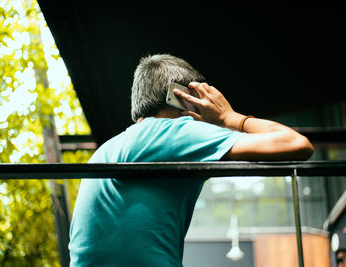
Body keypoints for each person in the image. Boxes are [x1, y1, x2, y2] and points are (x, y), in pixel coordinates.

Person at [68, 54, 313, 266]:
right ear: (185, 98)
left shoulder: (110, 147)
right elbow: (296, 144)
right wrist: (229, 117)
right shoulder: (171, 131)